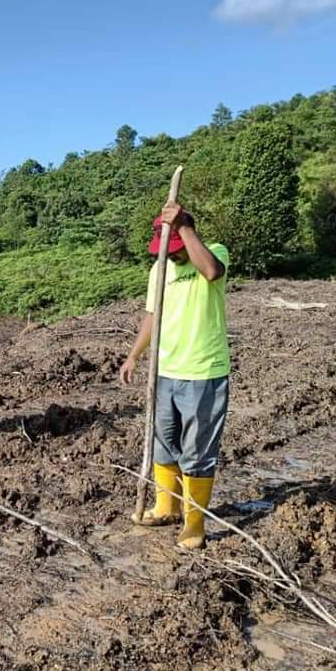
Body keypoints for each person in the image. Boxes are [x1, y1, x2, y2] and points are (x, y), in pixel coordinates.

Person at [119, 202, 230, 550]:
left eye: (177, 250)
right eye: (168, 251)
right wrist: (134, 355)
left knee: (197, 452)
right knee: (163, 442)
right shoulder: (159, 269)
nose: (173, 257)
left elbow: (211, 272)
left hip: (202, 372)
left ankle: (194, 524)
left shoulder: (212, 252)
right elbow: (153, 315)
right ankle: (166, 505)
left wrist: (183, 228)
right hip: (164, 370)